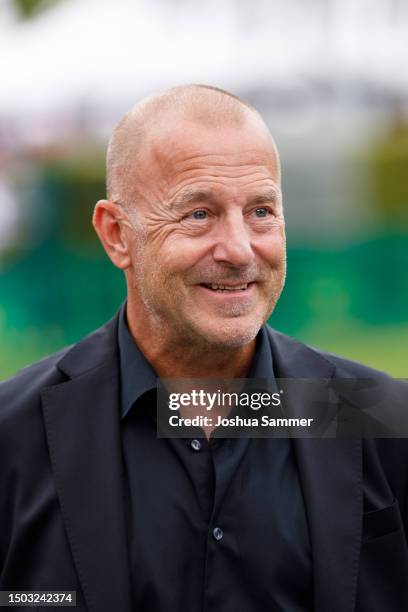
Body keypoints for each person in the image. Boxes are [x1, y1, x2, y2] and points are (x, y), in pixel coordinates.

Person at [1, 85, 407, 612]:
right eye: (198, 214)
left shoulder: (381, 419)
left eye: (261, 211)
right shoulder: (14, 437)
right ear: (117, 235)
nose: (239, 249)